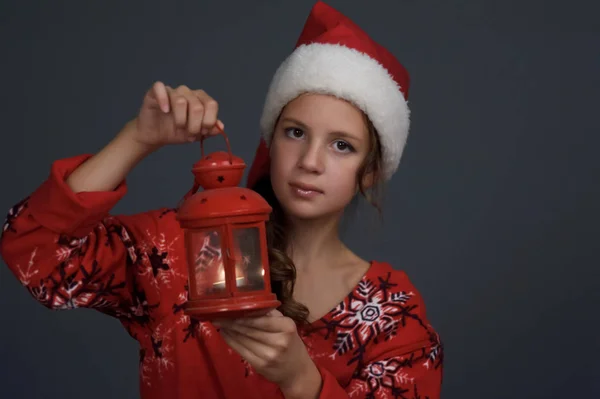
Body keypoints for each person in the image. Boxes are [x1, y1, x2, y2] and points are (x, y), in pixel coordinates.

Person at [0, 2, 443, 398]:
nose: (310, 161)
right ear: (271, 142)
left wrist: (302, 382)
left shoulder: (391, 314)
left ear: (369, 172)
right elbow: (35, 254)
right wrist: (138, 138)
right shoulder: (181, 248)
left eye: (341, 145)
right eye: (295, 132)